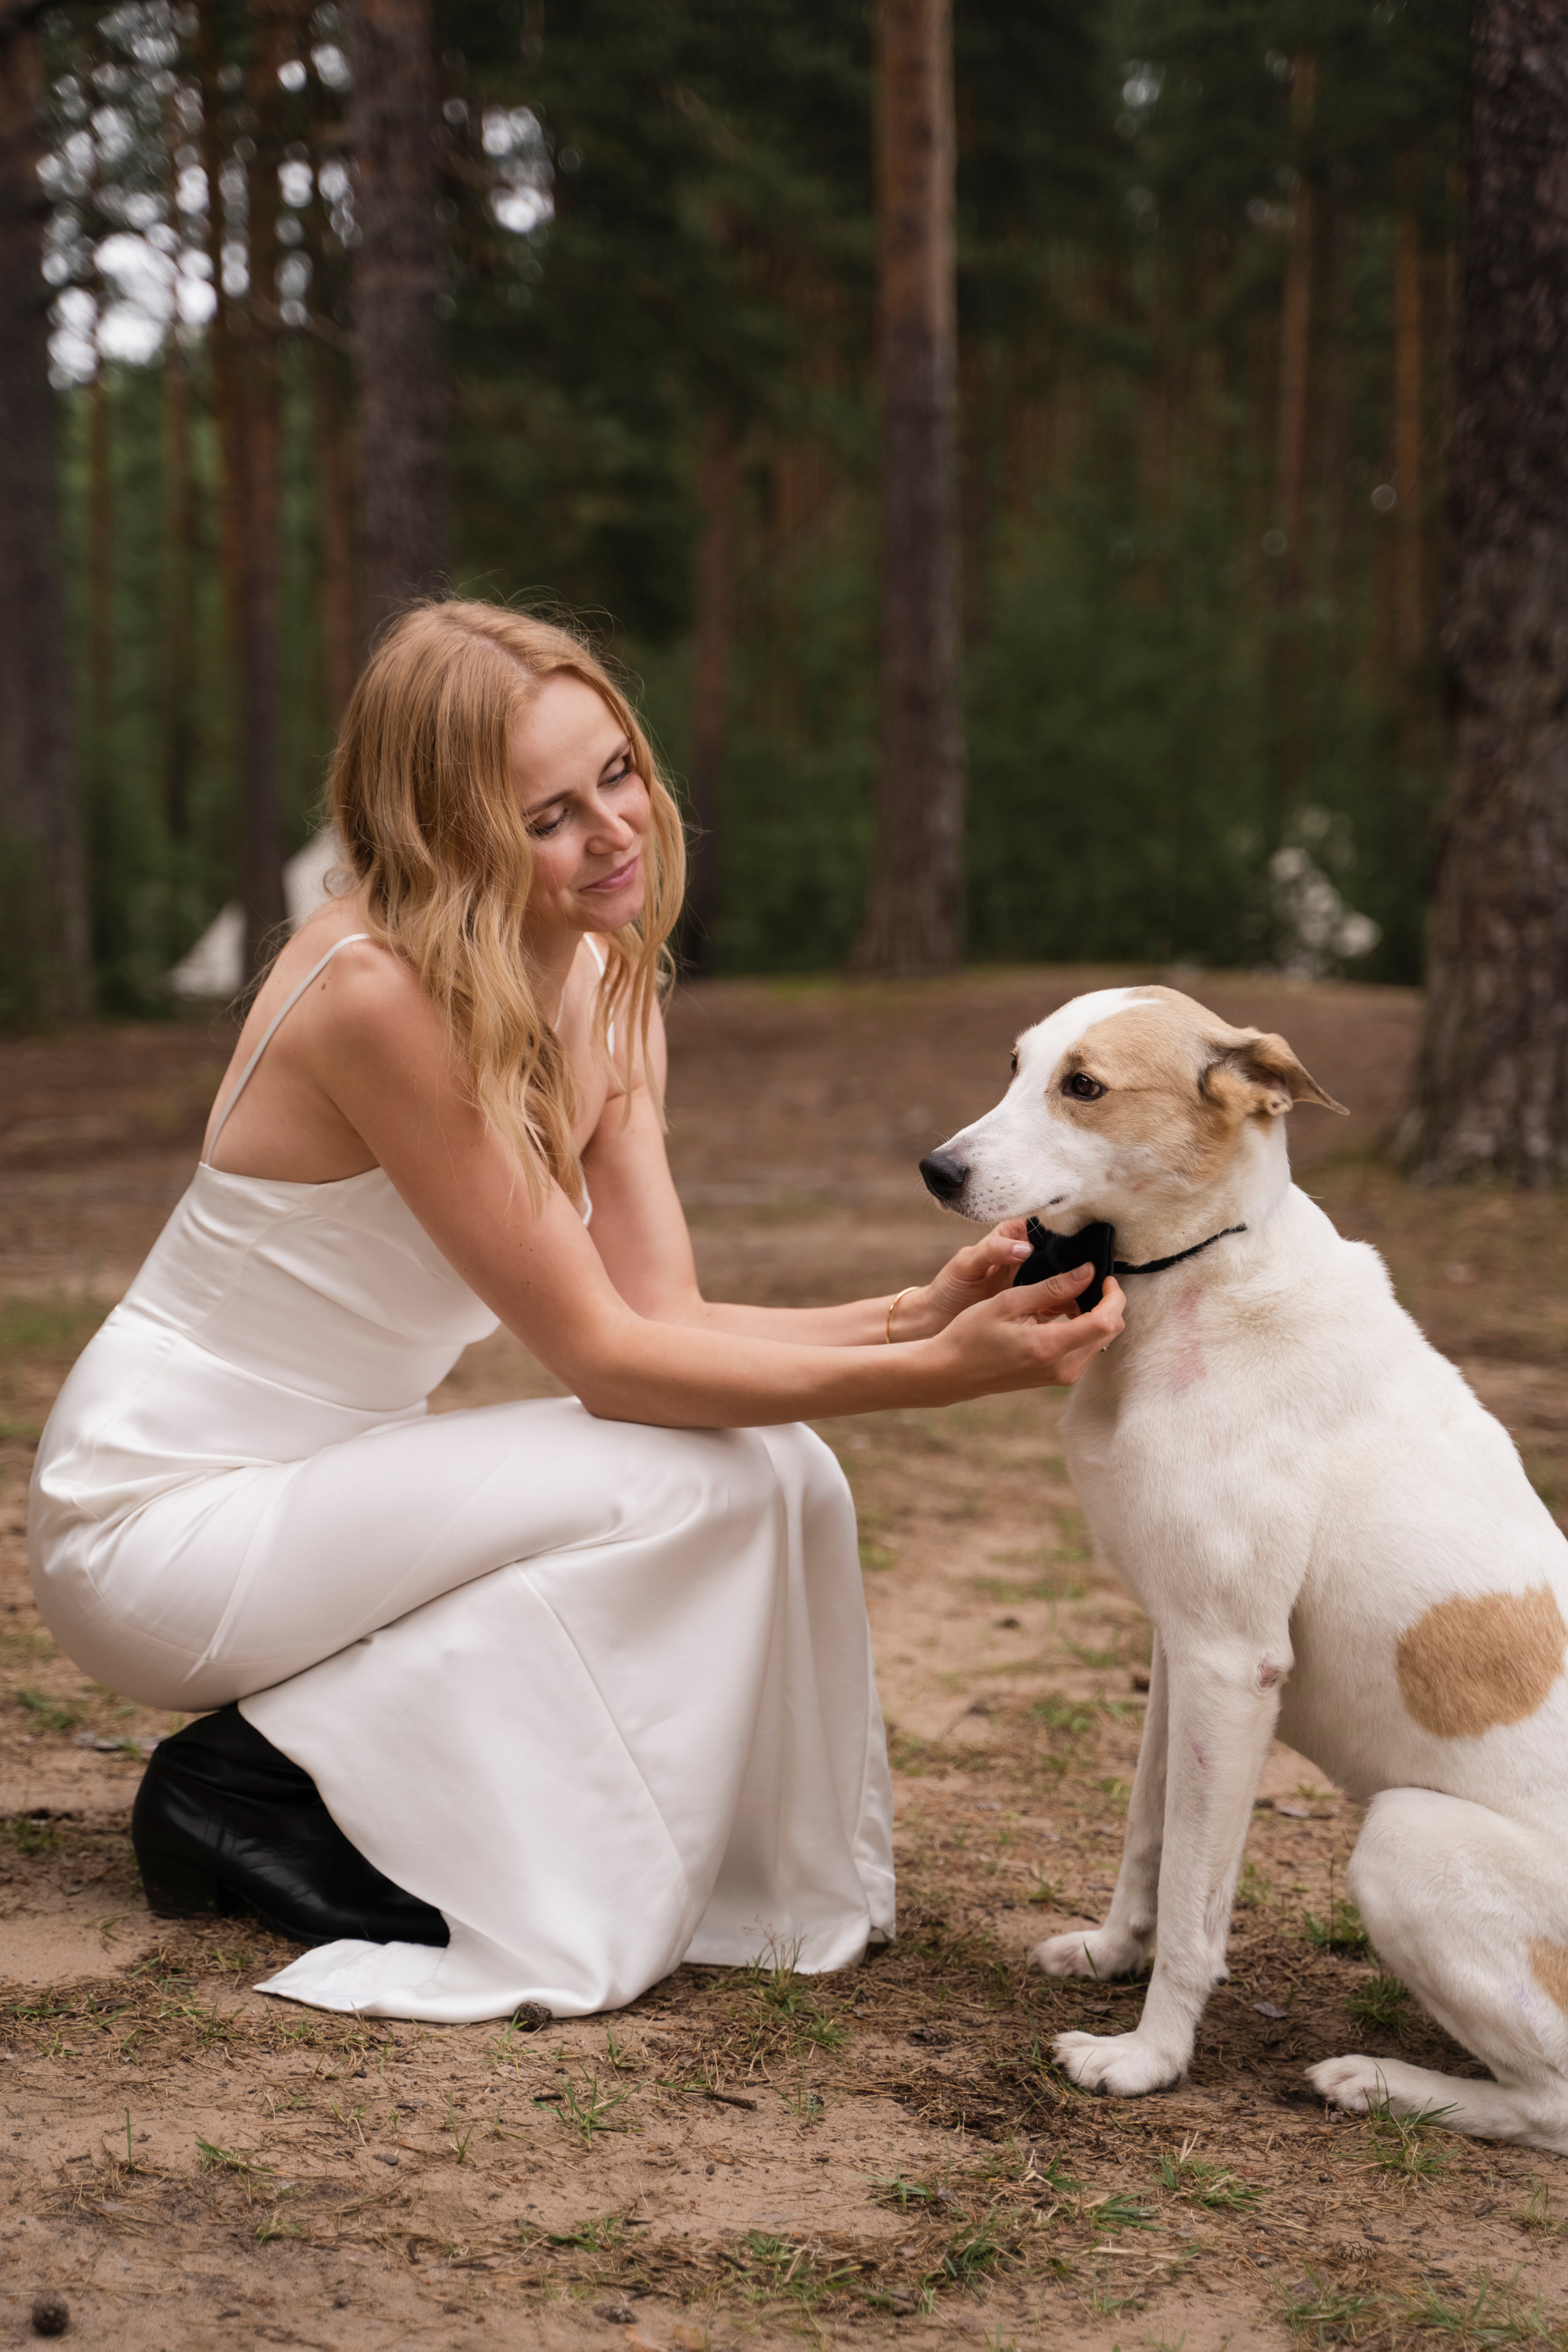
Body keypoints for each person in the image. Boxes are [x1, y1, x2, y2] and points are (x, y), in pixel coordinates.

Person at [27, 601, 1124, 2024]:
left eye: (616, 773)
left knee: (779, 1464)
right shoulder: (378, 995)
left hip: (315, 1489)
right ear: (445, 836)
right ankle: (259, 1784)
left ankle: (305, 1778)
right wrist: (941, 1376)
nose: (613, 831)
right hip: (158, 1521)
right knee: (683, 1474)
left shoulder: (602, 978)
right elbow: (615, 1367)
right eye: (547, 813)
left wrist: (916, 1314)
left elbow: (659, 1310)